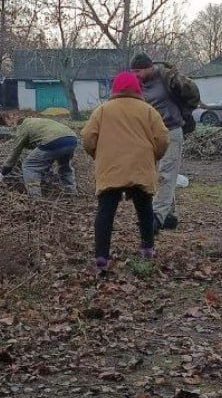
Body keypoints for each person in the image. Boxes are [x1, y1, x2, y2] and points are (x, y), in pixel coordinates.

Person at [81, 72, 170, 273]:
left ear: (114, 89)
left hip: (111, 168)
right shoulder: (148, 111)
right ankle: (147, 248)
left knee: (105, 212)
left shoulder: (102, 111)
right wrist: (154, 155)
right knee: (145, 209)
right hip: (140, 167)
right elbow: (163, 138)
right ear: (138, 89)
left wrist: (97, 154)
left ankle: (101, 257)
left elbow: (87, 137)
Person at [130, 53, 200, 233]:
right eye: (133, 71)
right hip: (152, 134)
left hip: (172, 130)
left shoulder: (167, 77)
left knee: (166, 174)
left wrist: (185, 112)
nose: (135, 74)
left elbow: (192, 94)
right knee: (158, 174)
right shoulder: (138, 84)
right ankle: (170, 216)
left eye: (138, 70)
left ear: (149, 67)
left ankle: (156, 217)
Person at [0, 116, 79, 197]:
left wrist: (3, 173)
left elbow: (15, 153)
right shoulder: (36, 121)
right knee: (65, 166)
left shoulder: (23, 128)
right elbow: (38, 141)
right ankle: (71, 192)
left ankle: (35, 197)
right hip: (72, 139)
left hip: (53, 141)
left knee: (29, 165)